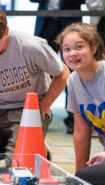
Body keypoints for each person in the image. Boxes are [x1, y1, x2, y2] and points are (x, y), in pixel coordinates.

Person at [0, 5, 70, 164]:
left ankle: (31, 149)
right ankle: (9, 144)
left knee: (18, 166)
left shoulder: (31, 47)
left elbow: (63, 73)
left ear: (6, 32)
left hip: (26, 109)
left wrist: (42, 108)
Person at [56, 22, 105, 185]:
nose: (72, 54)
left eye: (79, 47)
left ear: (93, 48)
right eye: (67, 49)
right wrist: (78, 176)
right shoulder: (73, 81)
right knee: (82, 180)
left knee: (91, 178)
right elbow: (81, 132)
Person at [30, 0, 84, 134]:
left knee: (74, 72)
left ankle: (74, 120)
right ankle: (40, 116)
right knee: (41, 71)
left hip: (70, 19)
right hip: (46, 20)